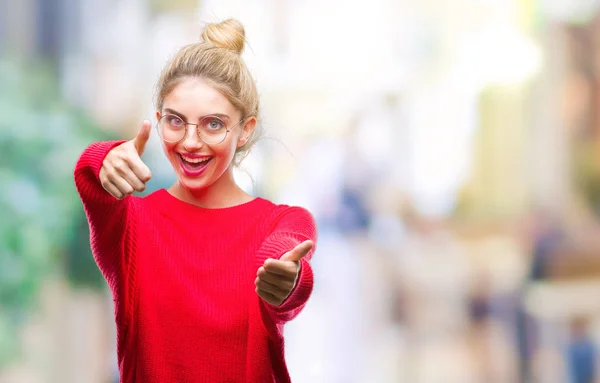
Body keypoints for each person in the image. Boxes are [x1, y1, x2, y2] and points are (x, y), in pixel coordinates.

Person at [73, 19, 317, 383]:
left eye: (213, 124)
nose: (190, 142)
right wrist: (103, 157)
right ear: (157, 121)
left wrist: (287, 280)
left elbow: (288, 261)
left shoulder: (282, 222)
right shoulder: (133, 226)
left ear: (245, 129)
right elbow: (93, 185)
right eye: (175, 121)